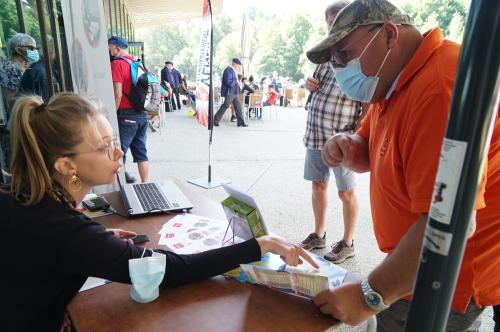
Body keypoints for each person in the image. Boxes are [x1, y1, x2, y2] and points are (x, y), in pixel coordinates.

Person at [0, 92, 317, 331]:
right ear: (67, 165)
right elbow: (168, 271)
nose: (119, 151)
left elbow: (52, 246)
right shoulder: (69, 233)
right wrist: (256, 246)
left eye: (114, 140)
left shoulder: (32, 200)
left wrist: (97, 241)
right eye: (105, 147)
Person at [306, 0, 500, 329]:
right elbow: (367, 143)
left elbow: (443, 227)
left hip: (450, 270)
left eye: (342, 55)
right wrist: (348, 146)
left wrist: (368, 295)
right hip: (419, 260)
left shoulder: (437, 88)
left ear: (389, 34)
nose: (338, 69)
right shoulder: (392, 81)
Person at [300, 0, 361, 264]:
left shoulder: (360, 55)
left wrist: (359, 134)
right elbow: (317, 84)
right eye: (328, 24)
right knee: (318, 184)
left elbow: (368, 101)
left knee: (345, 191)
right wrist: (309, 84)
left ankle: (348, 242)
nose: (331, 29)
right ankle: (319, 234)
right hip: (316, 130)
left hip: (342, 134)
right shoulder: (325, 52)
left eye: (336, 23)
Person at [108, 36, 149, 184]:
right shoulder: (137, 63)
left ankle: (122, 188)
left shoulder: (117, 64)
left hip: (126, 116)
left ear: (116, 49)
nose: (110, 53)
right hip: (142, 115)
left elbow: (117, 94)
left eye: (110, 49)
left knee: (120, 152)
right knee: (141, 153)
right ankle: (146, 185)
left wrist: (111, 116)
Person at [0, 33, 38, 181]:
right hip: (14, 124)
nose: (34, 51)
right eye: (30, 48)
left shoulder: (25, 67)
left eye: (35, 48)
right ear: (17, 49)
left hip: (22, 120)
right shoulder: (9, 67)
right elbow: (11, 99)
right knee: (17, 164)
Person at [213, 58, 248, 127]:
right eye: (238, 65)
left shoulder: (233, 70)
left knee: (238, 106)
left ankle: (240, 122)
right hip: (230, 92)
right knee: (226, 105)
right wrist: (237, 81)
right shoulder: (228, 70)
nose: (238, 66)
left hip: (234, 92)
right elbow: (228, 82)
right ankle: (215, 120)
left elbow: (232, 81)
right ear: (234, 63)